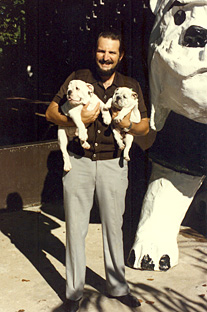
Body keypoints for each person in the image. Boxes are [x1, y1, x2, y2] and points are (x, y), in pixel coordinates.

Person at [46, 30, 149, 312]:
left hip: (113, 164)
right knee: (75, 229)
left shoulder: (130, 85)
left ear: (120, 56)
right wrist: (78, 117)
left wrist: (125, 124)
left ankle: (117, 288)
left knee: (114, 228)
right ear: (96, 52)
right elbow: (51, 113)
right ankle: (74, 294)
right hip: (78, 163)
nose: (106, 57)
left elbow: (145, 126)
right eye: (102, 51)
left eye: (112, 52)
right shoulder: (79, 78)